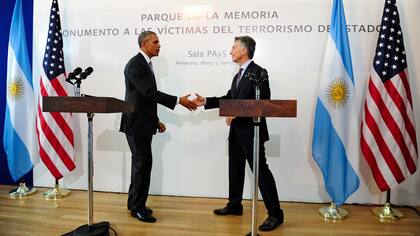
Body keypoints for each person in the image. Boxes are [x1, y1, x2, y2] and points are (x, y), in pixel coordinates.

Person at [193, 36, 283, 231]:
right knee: (234, 170)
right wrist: (206, 101)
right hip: (236, 133)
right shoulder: (238, 75)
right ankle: (235, 205)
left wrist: (237, 112)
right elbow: (229, 99)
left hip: (253, 133)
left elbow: (263, 103)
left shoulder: (259, 72)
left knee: (261, 173)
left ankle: (275, 214)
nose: (230, 51)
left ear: (244, 51)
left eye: (234, 47)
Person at [120, 31, 196, 223]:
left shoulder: (145, 63)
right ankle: (137, 208)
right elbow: (149, 93)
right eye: (155, 42)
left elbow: (145, 99)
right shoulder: (135, 64)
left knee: (141, 165)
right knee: (142, 165)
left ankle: (134, 203)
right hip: (136, 123)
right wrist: (179, 100)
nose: (159, 45)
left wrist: (155, 121)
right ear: (144, 43)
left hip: (143, 122)